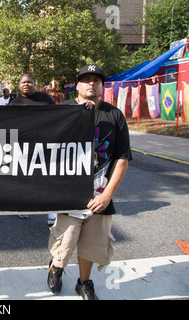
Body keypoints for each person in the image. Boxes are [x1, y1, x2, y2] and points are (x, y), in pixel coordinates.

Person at [47, 65, 131, 300]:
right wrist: (77, 117)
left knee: (92, 244)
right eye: (85, 79)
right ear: (77, 85)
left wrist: (107, 195)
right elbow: (44, 146)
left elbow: (122, 158)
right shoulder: (61, 111)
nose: (91, 84)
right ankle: (56, 268)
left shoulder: (114, 115)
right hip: (70, 192)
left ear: (102, 86)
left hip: (100, 194)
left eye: (96, 80)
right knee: (66, 238)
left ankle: (84, 282)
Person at [9, 74, 55, 219]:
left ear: (34, 84)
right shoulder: (14, 103)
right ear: (19, 85)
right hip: (22, 148)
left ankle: (51, 211)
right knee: (24, 179)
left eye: (29, 82)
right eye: (23, 82)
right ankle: (25, 206)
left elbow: (59, 117)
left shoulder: (46, 99)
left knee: (48, 177)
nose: (26, 84)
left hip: (45, 145)